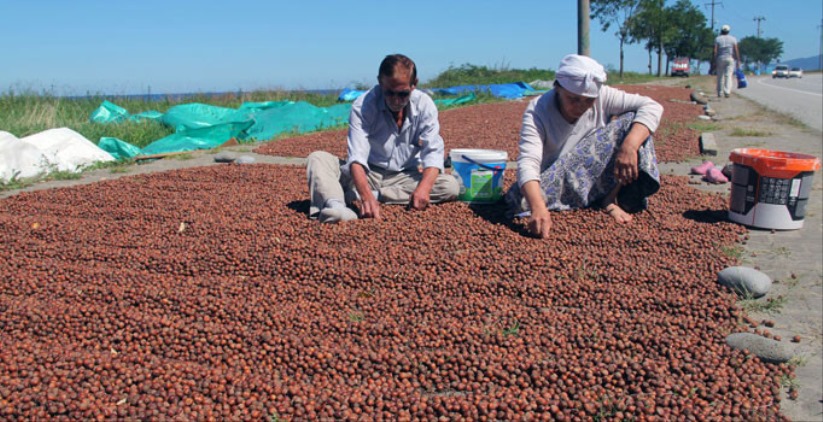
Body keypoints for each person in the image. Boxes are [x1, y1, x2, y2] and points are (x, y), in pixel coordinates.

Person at [505, 54, 664, 239]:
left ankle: (610, 198)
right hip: (554, 178)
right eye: (573, 99)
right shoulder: (538, 110)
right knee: (520, 201)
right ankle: (591, 200)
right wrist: (538, 207)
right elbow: (528, 161)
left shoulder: (603, 96)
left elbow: (652, 107)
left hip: (592, 173)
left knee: (635, 125)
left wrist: (629, 146)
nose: (581, 106)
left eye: (588, 100)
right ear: (557, 88)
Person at [306, 54, 459, 223]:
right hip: (368, 173)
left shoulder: (424, 105)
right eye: (389, 93)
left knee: (449, 186)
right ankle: (337, 206)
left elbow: (433, 152)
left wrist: (424, 188)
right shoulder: (363, 105)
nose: (395, 100)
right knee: (318, 159)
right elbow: (356, 157)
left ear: (414, 84)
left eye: (403, 94)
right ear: (380, 82)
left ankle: (367, 195)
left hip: (405, 175)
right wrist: (365, 196)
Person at [714, 24, 741, 98]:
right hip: (730, 58)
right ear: (729, 31)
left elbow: (715, 51)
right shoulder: (733, 39)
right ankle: (727, 91)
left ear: (721, 30)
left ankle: (720, 92)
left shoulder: (717, 39)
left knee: (720, 76)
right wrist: (738, 60)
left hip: (720, 58)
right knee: (728, 75)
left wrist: (714, 60)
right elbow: (736, 50)